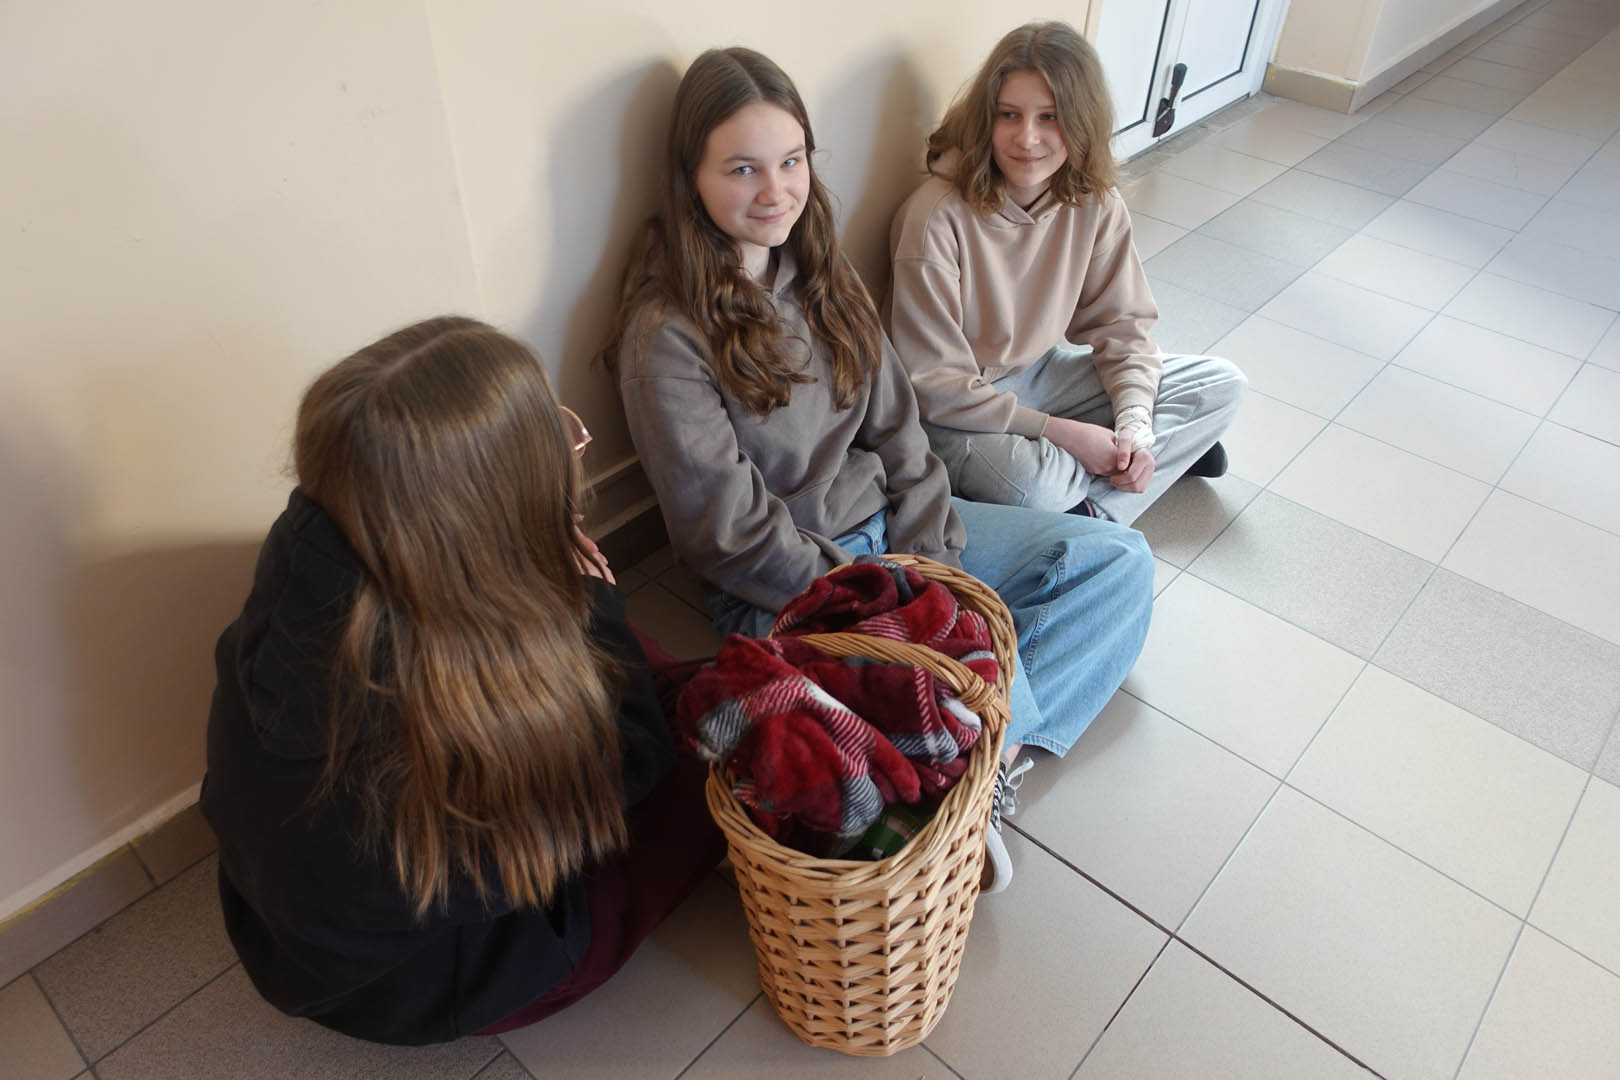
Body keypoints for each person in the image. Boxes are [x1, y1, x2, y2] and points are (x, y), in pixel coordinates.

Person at [604, 47, 1154, 891]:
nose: (775, 190)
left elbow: (900, 430)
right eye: (742, 169)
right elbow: (730, 533)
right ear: (692, 177)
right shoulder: (665, 335)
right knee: (891, 682)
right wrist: (883, 598)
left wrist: (928, 564)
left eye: (791, 161)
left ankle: (976, 767)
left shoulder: (821, 270)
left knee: (1118, 564)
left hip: (892, 536)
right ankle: (964, 745)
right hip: (788, 584)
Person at [201, 317, 723, 1045]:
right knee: (716, 762)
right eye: (559, 443)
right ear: (475, 515)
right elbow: (621, 779)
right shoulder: (438, 711)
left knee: (648, 664)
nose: (572, 455)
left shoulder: (306, 558)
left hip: (299, 937)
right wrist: (597, 610)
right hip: (433, 982)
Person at [886, 21, 1246, 523]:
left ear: (1081, 121)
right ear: (986, 118)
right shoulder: (934, 219)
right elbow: (934, 385)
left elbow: (1124, 328)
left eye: (1050, 117)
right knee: (1036, 486)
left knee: (1220, 383)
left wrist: (1135, 423)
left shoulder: (1096, 203)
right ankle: (1117, 492)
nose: (1027, 137)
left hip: (1038, 374)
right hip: (954, 412)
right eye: (1008, 115)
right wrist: (1060, 432)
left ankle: (1106, 487)